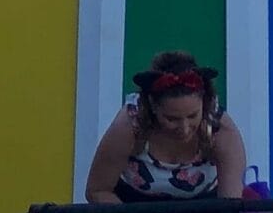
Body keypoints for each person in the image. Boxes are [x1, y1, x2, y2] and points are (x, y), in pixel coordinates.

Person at [83, 51, 248, 203]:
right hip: (132, 212)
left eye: (192, 116)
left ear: (204, 103)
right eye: (172, 119)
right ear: (153, 106)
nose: (184, 128)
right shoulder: (130, 126)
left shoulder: (221, 130)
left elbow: (230, 207)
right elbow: (97, 190)